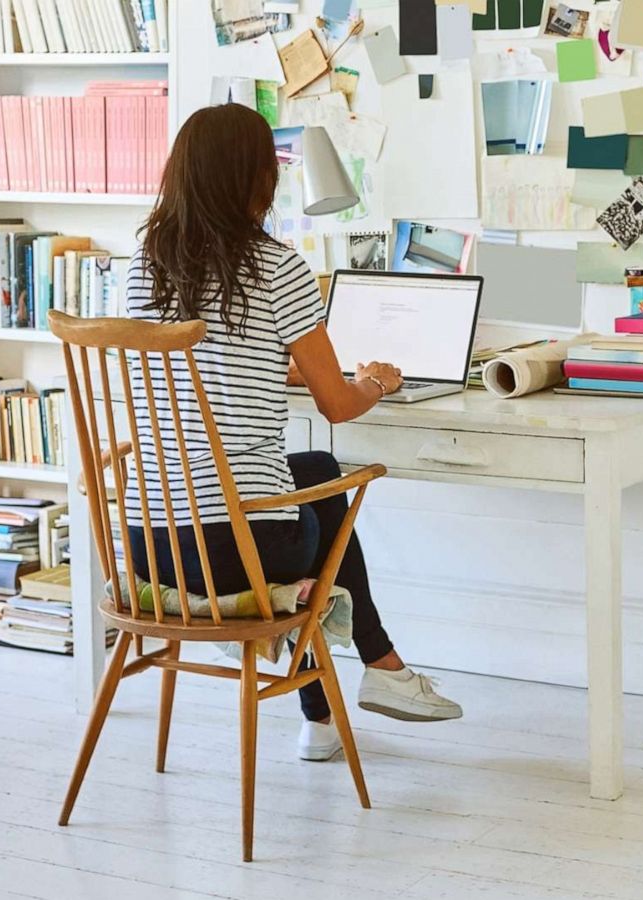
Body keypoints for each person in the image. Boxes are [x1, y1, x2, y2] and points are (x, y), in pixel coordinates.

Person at [121, 103, 462, 761]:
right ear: (256, 179)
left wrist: (288, 369)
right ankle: (380, 665)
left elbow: (205, 366)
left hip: (149, 546)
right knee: (325, 480)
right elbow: (338, 406)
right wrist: (375, 383)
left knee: (308, 474)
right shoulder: (277, 269)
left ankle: (329, 715)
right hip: (231, 554)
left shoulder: (144, 267)